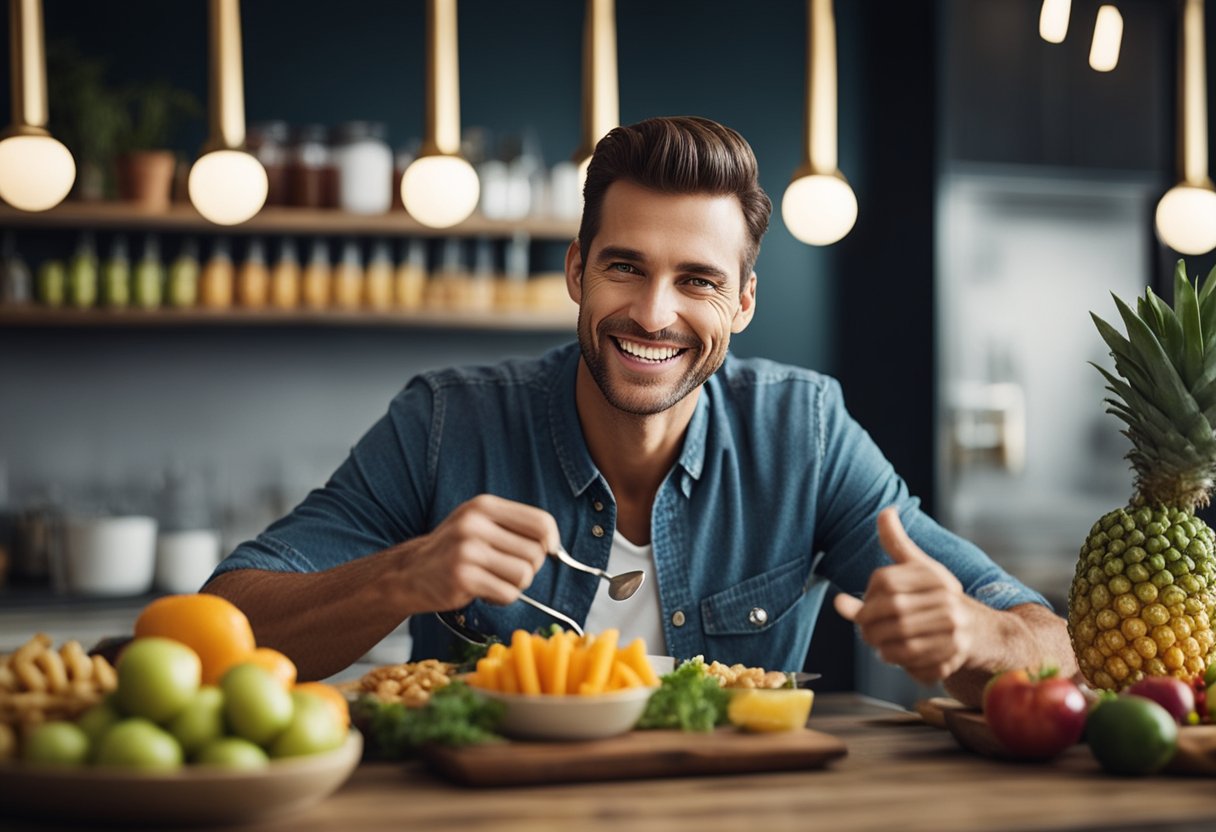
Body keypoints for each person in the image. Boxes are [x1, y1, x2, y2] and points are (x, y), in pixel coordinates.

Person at [204, 116, 1074, 705]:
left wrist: (974, 635)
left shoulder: (803, 433)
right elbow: (224, 628)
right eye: (626, 268)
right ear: (578, 272)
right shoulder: (445, 423)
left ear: (742, 303)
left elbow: (1054, 647)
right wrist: (403, 576)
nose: (654, 314)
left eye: (697, 281)